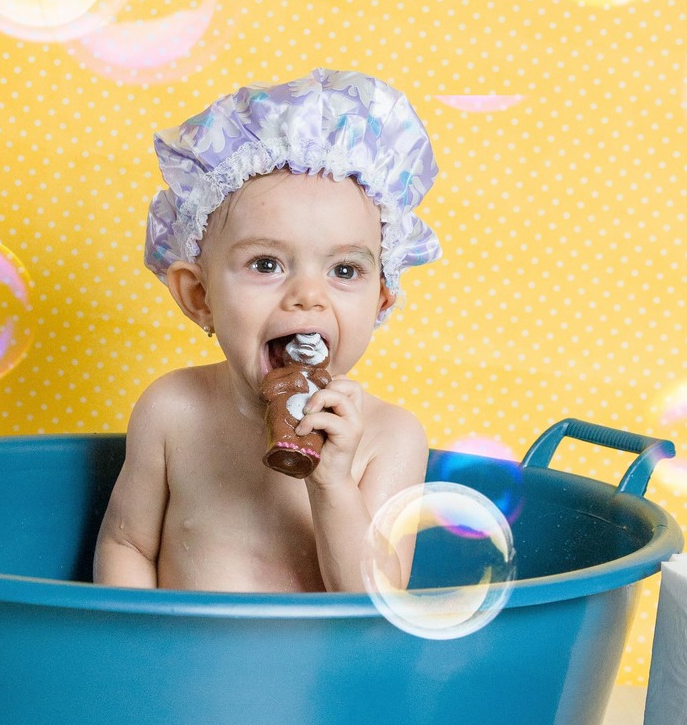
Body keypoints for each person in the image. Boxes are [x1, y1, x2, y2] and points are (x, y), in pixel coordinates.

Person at [93, 68, 440, 594]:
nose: (308, 294)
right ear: (199, 296)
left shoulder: (389, 437)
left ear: (380, 302)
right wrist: (137, 639)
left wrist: (333, 484)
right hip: (180, 647)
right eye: (266, 264)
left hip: (322, 654)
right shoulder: (172, 410)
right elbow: (128, 544)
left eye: (345, 270)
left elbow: (377, 602)